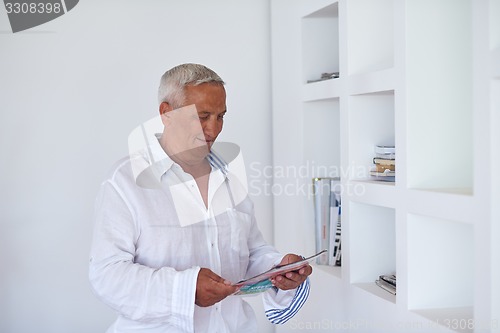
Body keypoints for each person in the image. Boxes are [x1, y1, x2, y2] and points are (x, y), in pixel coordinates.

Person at [89, 63, 312, 333]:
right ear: (166, 113)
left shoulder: (229, 180)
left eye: (220, 116)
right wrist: (186, 288)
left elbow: (252, 253)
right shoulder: (125, 182)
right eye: (202, 116)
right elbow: (107, 275)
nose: (214, 129)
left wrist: (278, 269)